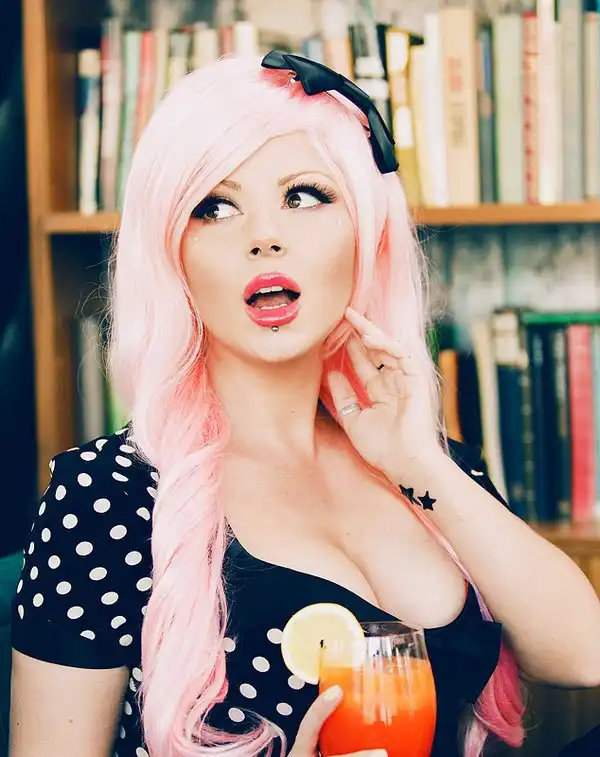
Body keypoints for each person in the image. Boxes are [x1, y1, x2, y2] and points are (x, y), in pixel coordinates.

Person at [9, 52, 600, 757]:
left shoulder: (429, 466)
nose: (265, 236)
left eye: (304, 195)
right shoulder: (106, 495)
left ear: (365, 233)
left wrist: (419, 463)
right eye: (214, 207)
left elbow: (583, 657)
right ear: (173, 257)